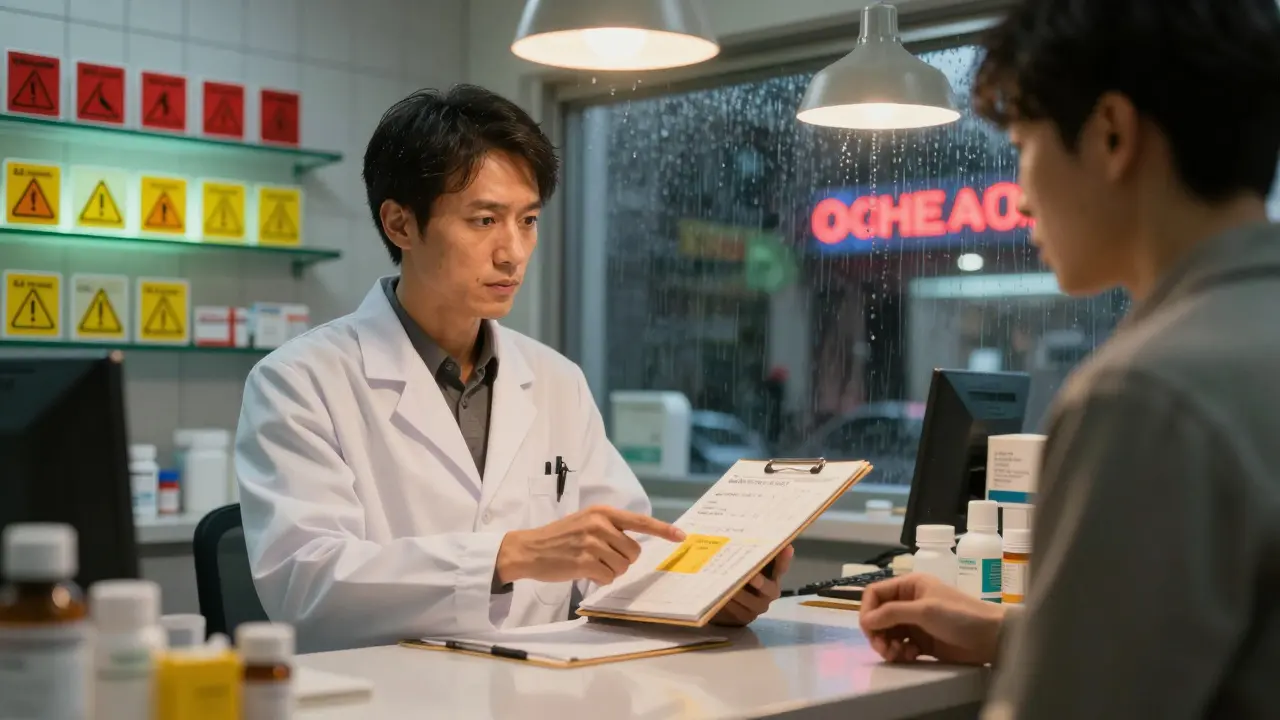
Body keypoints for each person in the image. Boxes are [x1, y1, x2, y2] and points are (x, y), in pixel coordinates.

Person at [235, 85, 791, 653]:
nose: (513, 252)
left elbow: (620, 549)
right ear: (401, 225)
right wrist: (509, 556)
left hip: (539, 690)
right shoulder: (300, 381)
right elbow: (305, 583)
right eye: (484, 220)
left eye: (527, 220)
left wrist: (709, 593)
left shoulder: (555, 380)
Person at [859, 1, 1280, 718]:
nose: (1020, 199)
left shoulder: (1145, 393)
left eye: (1024, 145)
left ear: (1111, 134)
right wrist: (1008, 633)